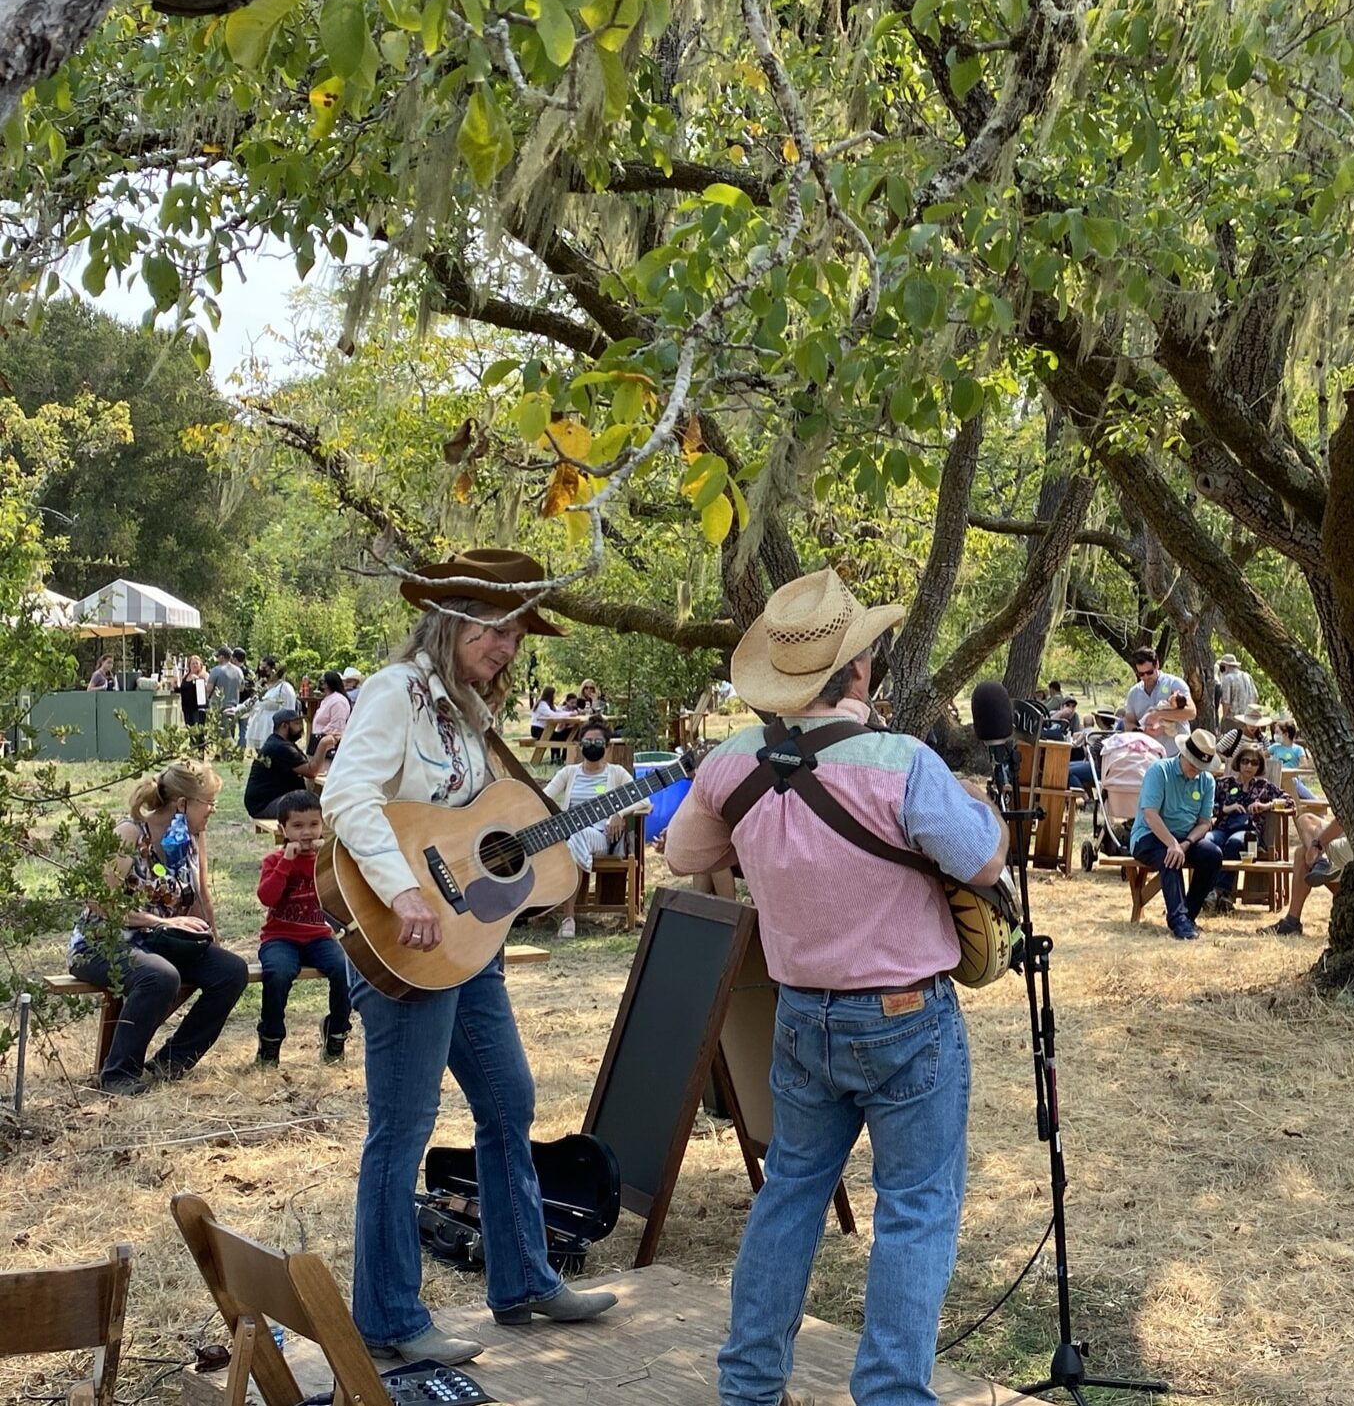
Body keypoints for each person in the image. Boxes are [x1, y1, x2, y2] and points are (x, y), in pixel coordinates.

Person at [661, 567, 1006, 1406]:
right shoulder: (902, 763)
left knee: (789, 1197)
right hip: (904, 1016)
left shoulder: (731, 763)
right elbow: (985, 859)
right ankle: (890, 1394)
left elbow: (683, 855)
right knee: (917, 1208)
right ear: (858, 671)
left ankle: (749, 1384)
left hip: (798, 1015)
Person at [323, 548, 614, 1363]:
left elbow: (474, 830)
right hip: (404, 937)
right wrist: (404, 890)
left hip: (465, 942)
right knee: (403, 1126)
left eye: (518, 631)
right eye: (495, 627)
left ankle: (522, 1277)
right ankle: (387, 1320)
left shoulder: (463, 713)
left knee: (509, 1098)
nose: (508, 644)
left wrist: (544, 856)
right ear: (450, 621)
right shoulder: (396, 694)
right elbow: (346, 795)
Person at [67, 762, 246, 1094]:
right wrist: (161, 920)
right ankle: (118, 1074)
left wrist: (212, 943)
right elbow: (100, 902)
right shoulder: (130, 834)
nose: (212, 810)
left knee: (232, 971)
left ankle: (170, 1063)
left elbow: (200, 896)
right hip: (101, 942)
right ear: (182, 804)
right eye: (208, 801)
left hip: (159, 942)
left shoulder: (194, 837)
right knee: (160, 976)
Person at [253, 790, 351, 1066]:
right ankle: (270, 1040)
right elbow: (267, 897)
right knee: (279, 973)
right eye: (297, 826)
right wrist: (286, 862)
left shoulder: (327, 859)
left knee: (345, 970)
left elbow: (345, 893)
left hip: (319, 937)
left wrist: (331, 860)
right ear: (283, 829)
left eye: (313, 824)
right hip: (280, 938)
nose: (306, 833)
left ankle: (337, 1034)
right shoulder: (275, 861)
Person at [542, 721, 644, 940]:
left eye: (598, 742)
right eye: (587, 742)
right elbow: (544, 797)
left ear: (607, 747)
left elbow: (644, 801)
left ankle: (568, 918)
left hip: (601, 837)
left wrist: (619, 813)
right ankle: (560, 915)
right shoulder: (569, 773)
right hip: (568, 837)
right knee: (572, 839)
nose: (592, 746)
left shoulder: (616, 773)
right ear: (579, 746)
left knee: (577, 836)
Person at [1131, 727, 1224, 939]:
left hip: (1185, 838)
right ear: (1184, 754)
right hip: (1149, 835)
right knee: (1169, 857)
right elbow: (1150, 815)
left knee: (1213, 855)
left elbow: (1204, 822)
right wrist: (1172, 844)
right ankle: (1178, 921)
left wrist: (1187, 843)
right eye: (1194, 764)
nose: (1197, 770)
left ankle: (1189, 914)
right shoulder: (1159, 771)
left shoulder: (1207, 781)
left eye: (1202, 766)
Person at [1207, 744, 1286, 911]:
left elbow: (1289, 802)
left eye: (1254, 762)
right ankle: (1209, 893)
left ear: (1259, 766)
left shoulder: (1263, 786)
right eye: (1245, 761)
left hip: (1249, 833)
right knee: (1207, 843)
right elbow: (1204, 808)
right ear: (1238, 763)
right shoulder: (1223, 784)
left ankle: (1221, 892)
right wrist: (1225, 809)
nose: (1249, 766)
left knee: (1234, 842)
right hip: (1222, 828)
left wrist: (1266, 805)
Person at [1262, 812, 1346, 937]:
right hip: (1349, 830)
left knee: (1302, 853)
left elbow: (1343, 819)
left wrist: (1317, 845)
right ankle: (1319, 861)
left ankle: (1291, 922)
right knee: (1305, 819)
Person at [243, 703, 326, 819]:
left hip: (272, 800)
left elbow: (307, 764)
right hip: (265, 805)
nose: (301, 728)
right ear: (284, 726)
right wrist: (324, 744)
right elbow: (311, 771)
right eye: (296, 723)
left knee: (317, 802)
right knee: (316, 806)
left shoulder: (282, 743)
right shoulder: (279, 747)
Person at [1122, 647, 1193, 752]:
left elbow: (1191, 712)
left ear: (1157, 665)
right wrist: (1143, 731)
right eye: (1141, 674)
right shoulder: (1134, 693)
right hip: (1150, 756)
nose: (1146, 677)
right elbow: (1128, 723)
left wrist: (1159, 715)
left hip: (1177, 754)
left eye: (1149, 672)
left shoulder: (1174, 684)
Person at [242, 654, 300, 752]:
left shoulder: (284, 688)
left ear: (274, 669)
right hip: (260, 728)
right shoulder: (263, 687)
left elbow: (289, 712)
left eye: (265, 668)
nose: (262, 670)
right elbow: (252, 703)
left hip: (272, 728)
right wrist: (236, 710)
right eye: (261, 667)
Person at [205, 647, 243, 734]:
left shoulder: (216, 670)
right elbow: (241, 688)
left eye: (218, 657)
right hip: (234, 707)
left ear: (222, 657)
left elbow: (209, 689)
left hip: (219, 707)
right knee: (231, 734)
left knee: (220, 736)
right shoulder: (239, 671)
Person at [311, 668, 352, 748]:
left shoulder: (338, 701)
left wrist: (320, 737)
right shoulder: (328, 699)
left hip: (329, 747)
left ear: (328, 683)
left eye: (322, 681)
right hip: (319, 744)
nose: (320, 683)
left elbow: (336, 726)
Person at [1214, 653, 1256, 730]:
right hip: (1247, 719)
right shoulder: (1247, 676)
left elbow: (1226, 702)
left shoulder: (1228, 678)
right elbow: (1255, 696)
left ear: (1227, 666)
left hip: (1232, 721)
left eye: (1222, 667)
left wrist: (1223, 719)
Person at [177, 652, 208, 727]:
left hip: (197, 709)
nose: (194, 665)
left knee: (198, 732)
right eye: (192, 663)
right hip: (186, 708)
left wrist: (197, 680)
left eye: (196, 663)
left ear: (200, 665)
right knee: (190, 730)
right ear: (189, 665)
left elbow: (205, 690)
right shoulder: (185, 676)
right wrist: (175, 686)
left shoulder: (204, 675)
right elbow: (182, 689)